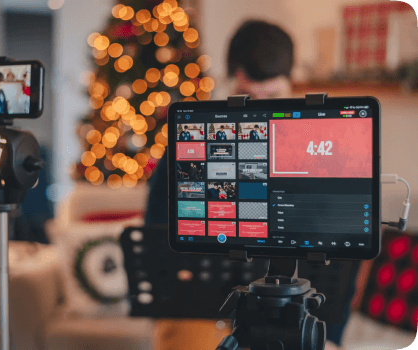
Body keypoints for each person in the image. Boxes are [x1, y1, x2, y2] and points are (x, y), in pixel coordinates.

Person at [146, 20, 350, 349]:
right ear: (230, 82)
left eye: (273, 96)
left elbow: (340, 266)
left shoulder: (320, 155)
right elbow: (154, 236)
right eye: (245, 96)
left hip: (291, 314)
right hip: (199, 314)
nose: (260, 110)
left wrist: (332, 339)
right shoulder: (187, 149)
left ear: (292, 85)